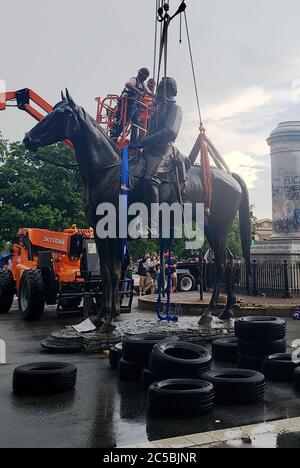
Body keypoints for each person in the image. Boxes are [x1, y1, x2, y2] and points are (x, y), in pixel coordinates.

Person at [135, 77, 183, 232]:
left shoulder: (175, 109)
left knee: (150, 179)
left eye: (161, 88)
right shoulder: (157, 109)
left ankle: (151, 224)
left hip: (165, 150)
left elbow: (170, 132)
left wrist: (146, 140)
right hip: (151, 149)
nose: (158, 92)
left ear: (169, 91)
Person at [112, 68, 152, 143]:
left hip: (135, 105)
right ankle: (115, 135)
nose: (144, 79)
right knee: (126, 120)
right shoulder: (134, 80)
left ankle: (133, 142)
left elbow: (149, 92)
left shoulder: (142, 84)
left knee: (135, 123)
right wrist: (138, 91)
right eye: (143, 77)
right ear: (140, 75)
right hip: (128, 103)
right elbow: (128, 84)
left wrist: (156, 97)